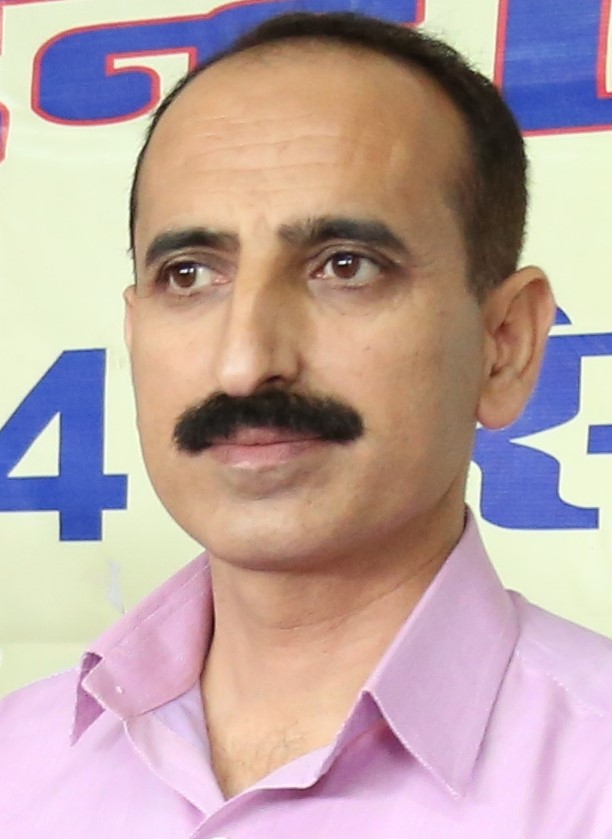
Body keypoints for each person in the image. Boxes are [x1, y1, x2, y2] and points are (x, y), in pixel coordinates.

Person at [2, 10, 612, 837]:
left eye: (344, 266)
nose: (244, 362)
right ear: (135, 329)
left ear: (504, 345)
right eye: (189, 274)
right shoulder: (18, 764)